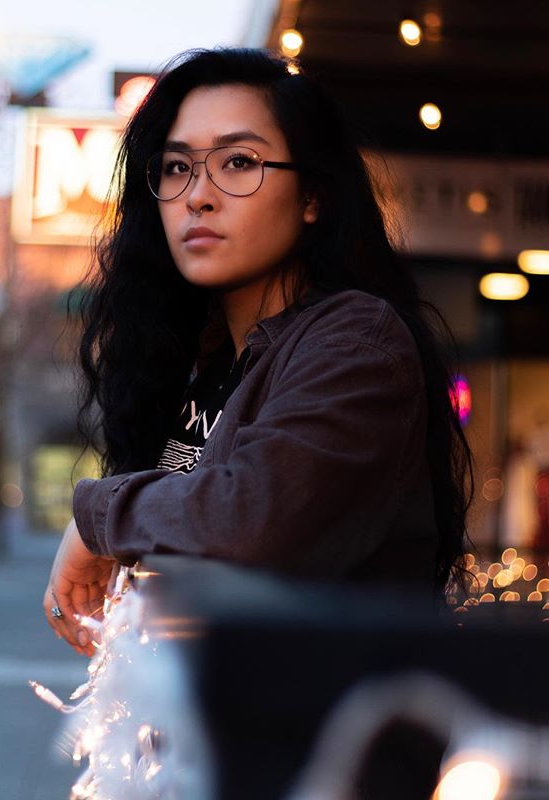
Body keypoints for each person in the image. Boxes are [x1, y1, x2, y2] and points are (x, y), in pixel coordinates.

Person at [44, 48, 473, 656]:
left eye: (239, 161)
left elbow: (251, 516)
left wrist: (97, 517)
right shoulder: (204, 359)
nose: (198, 195)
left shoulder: (355, 342)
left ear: (312, 197)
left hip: (320, 741)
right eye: (175, 168)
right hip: (211, 738)